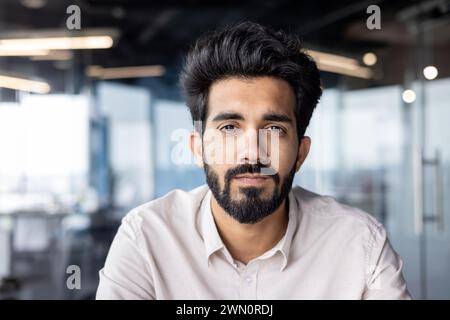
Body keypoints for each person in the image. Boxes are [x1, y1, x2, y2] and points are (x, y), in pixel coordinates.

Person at [96, 21, 411, 300]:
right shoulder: (146, 238)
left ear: (301, 153)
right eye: (229, 127)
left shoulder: (359, 243)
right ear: (197, 148)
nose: (252, 152)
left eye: (274, 129)